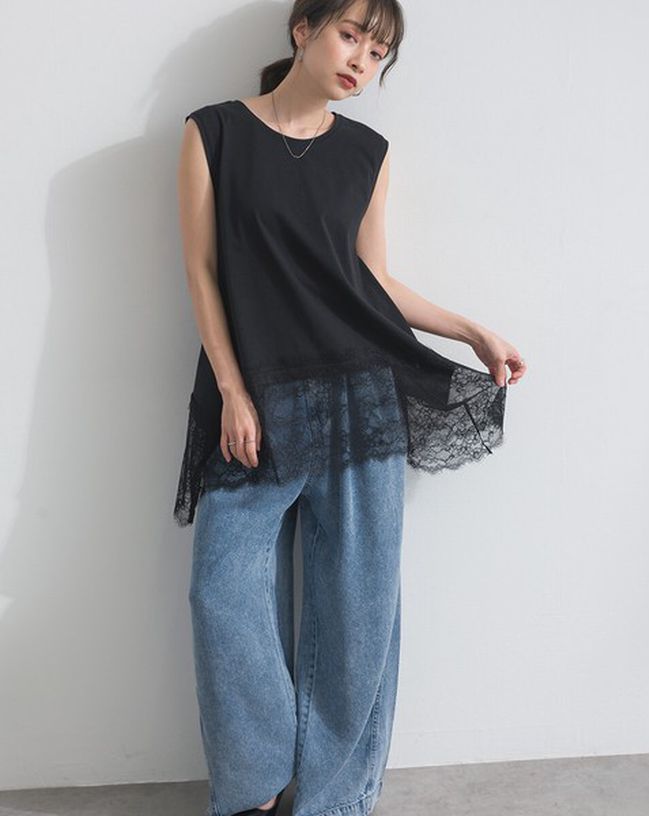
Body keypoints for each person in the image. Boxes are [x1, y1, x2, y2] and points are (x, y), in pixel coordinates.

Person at [175, 1, 527, 814]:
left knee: (357, 608)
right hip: (258, 398)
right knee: (220, 590)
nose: (363, 60)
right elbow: (201, 270)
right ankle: (257, 786)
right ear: (304, 29)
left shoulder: (368, 153)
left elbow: (373, 283)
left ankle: (334, 799)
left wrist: (472, 329)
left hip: (359, 396)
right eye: (351, 36)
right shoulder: (214, 132)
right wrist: (231, 389)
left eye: (380, 52)